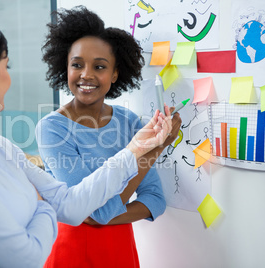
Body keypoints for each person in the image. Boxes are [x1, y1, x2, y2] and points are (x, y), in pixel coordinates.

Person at [0, 14, 172, 268]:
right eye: (6, 66)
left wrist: (139, 149)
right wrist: (44, 205)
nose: (10, 78)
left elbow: (69, 204)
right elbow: (26, 256)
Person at [36, 6, 182, 268]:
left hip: (119, 250)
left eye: (99, 66)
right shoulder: (52, 128)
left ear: (115, 73)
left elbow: (155, 200)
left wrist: (99, 216)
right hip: (72, 250)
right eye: (77, 64)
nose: (86, 75)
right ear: (64, 67)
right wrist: (156, 148)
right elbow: (94, 211)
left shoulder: (129, 122)